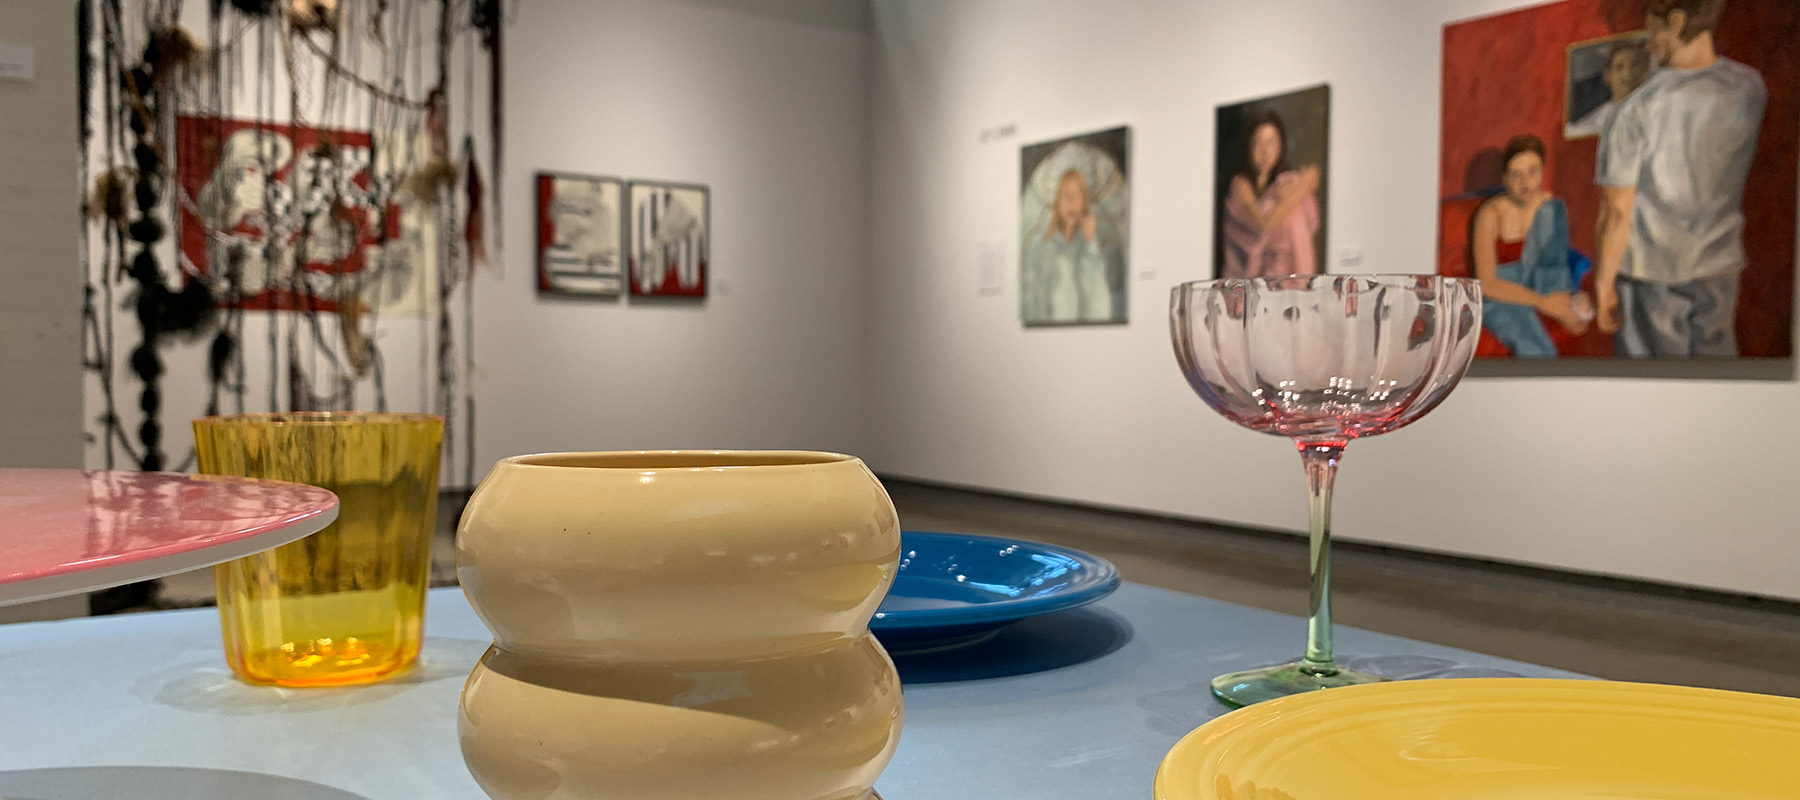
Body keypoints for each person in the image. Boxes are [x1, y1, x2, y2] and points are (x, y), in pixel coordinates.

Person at [1595, 0, 1766, 357]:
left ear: (1675, 22)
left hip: (1651, 275)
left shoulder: (1635, 110)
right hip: (1719, 268)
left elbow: (1616, 212)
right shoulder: (1749, 88)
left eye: (1652, 28)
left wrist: (1603, 284)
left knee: (1649, 396)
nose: (1648, 41)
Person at [1472, 135, 1591, 357]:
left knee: (1583, 326)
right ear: (1505, 178)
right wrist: (1543, 303)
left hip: (1543, 285)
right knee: (1537, 350)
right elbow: (1486, 284)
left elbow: (1556, 267)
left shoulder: (1550, 208)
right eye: (1516, 174)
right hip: (1502, 295)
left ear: (1542, 172)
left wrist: (1573, 300)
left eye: (1532, 171)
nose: (1525, 182)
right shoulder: (1490, 214)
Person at [1221, 110, 1321, 279]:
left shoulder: (1285, 183)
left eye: (1270, 142)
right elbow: (1263, 226)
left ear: (1281, 145)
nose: (1265, 152)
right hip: (1243, 282)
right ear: (1249, 147)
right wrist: (1301, 189)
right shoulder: (1241, 185)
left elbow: (1304, 230)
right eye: (1257, 144)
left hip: (1280, 278)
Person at [1022, 167, 1113, 323]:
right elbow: (1031, 302)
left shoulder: (1091, 246)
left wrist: (1091, 244)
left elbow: (1099, 300)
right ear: (1057, 201)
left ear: (1084, 201)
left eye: (1077, 194)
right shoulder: (1039, 246)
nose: (1071, 201)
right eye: (1065, 195)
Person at [1568, 41, 1653, 138]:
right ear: (1607, 75)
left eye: (1635, 65)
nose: (1627, 74)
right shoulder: (1592, 124)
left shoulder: (1658, 109)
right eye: (1619, 67)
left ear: (1647, 69)